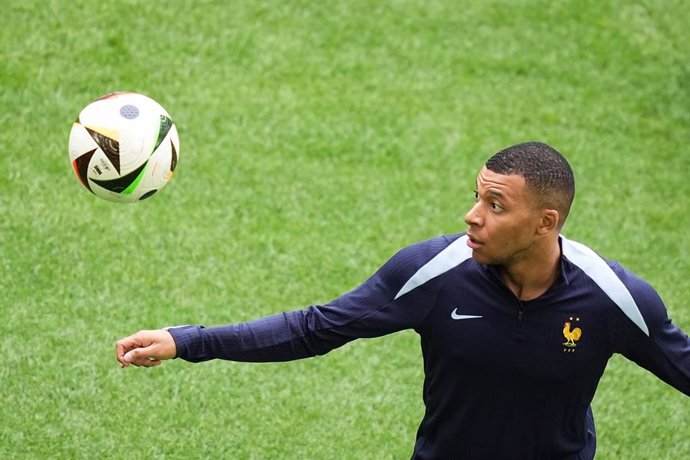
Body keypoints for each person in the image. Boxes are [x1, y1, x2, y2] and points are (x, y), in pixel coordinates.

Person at [115, 141, 690, 459]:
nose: (471, 215)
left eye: (494, 205)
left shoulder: (613, 299)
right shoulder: (434, 273)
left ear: (546, 222)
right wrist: (186, 341)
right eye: (475, 197)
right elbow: (315, 328)